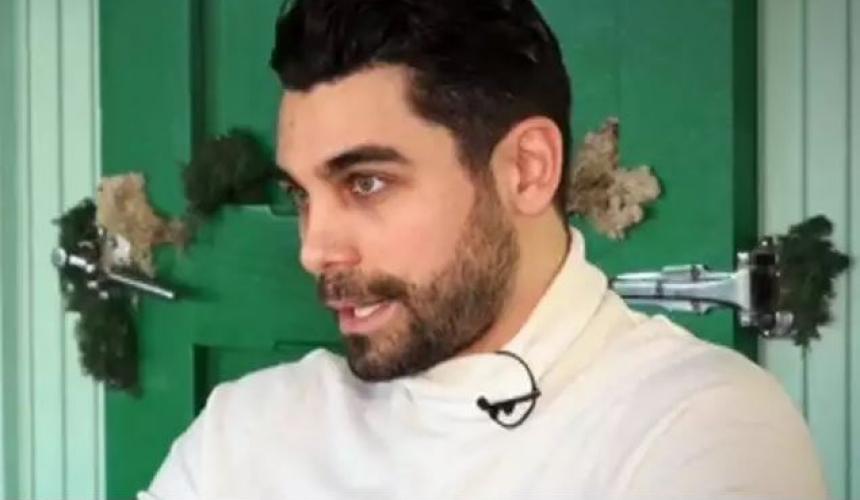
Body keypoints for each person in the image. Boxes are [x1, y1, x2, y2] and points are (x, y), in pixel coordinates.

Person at [140, 0, 827, 498]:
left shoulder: (698, 426)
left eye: (366, 183)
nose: (315, 251)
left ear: (526, 170)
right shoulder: (246, 430)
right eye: (301, 194)